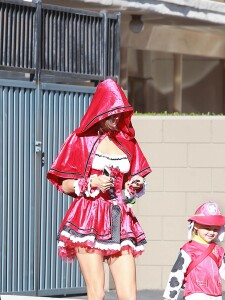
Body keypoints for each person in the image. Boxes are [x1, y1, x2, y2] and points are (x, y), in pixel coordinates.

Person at [47, 78, 151, 300]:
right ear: (101, 109)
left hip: (118, 218)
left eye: (119, 112)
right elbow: (65, 184)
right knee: (97, 294)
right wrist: (89, 183)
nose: (116, 117)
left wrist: (135, 184)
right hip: (88, 217)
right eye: (112, 112)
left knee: (129, 295)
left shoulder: (127, 141)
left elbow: (131, 181)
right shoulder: (80, 139)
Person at [163, 201, 225, 300]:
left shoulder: (218, 250)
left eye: (215, 229)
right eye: (207, 228)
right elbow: (177, 273)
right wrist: (170, 296)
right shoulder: (188, 249)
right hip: (195, 294)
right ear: (196, 225)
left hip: (216, 295)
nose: (211, 232)